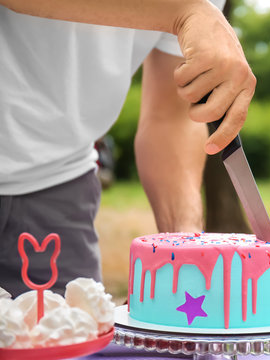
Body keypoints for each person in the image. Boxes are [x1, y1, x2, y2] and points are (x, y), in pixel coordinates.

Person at [0, 0, 256, 297]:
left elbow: (169, 117)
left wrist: (183, 240)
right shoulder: (194, 10)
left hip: (61, 188)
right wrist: (182, 12)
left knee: (77, 337)